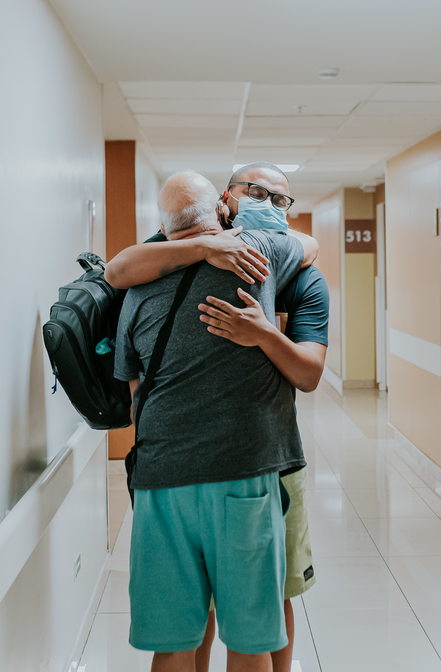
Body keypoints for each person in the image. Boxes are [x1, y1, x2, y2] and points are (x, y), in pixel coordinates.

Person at [108, 162, 328, 672]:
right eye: (258, 195)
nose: (269, 207)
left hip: (162, 480)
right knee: (251, 639)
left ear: (163, 226)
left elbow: (135, 391)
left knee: (173, 642)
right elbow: (308, 244)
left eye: (280, 199)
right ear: (224, 206)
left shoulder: (136, 290)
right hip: (244, 474)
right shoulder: (260, 251)